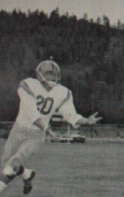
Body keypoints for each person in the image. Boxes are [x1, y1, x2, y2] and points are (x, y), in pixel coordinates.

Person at [0, 60, 102, 194]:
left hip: (36, 135)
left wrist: (85, 121)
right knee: (6, 164)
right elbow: (31, 110)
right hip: (19, 129)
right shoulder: (28, 84)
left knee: (12, 165)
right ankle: (27, 174)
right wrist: (46, 128)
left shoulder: (63, 92)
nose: (52, 77)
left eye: (54, 74)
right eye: (48, 74)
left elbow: (70, 114)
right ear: (40, 74)